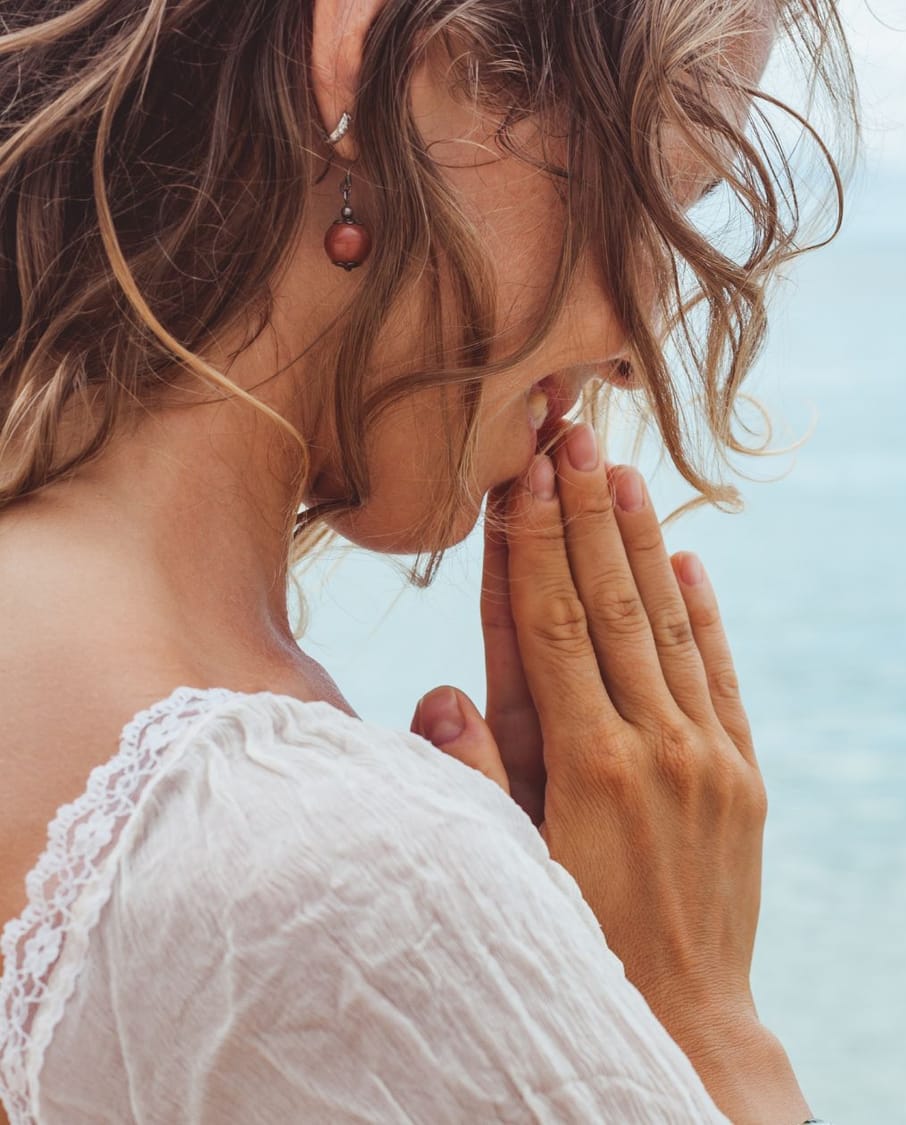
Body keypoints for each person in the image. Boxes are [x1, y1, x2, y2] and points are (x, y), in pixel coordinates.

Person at [0, 0, 856, 1121]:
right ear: (394, 65)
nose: (643, 351)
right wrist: (690, 1014)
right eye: (656, 199)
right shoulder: (325, 872)